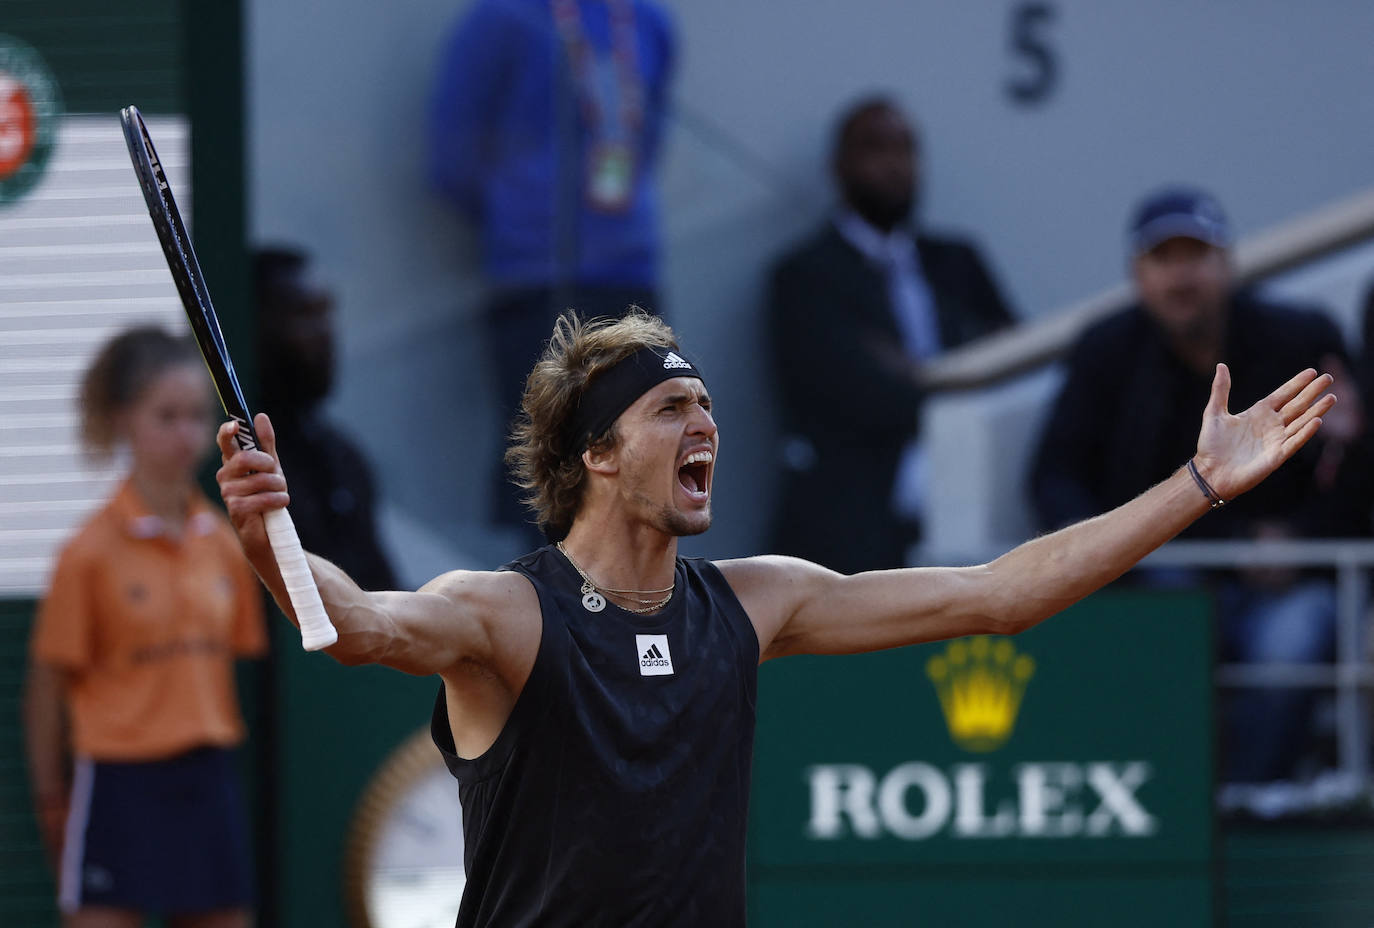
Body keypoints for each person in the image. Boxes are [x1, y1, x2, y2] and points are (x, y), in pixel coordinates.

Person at [217, 305, 1331, 925]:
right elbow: (351, 622)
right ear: (597, 455)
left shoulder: (760, 599)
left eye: (707, 404)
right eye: (671, 409)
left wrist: (1198, 486)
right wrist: (266, 525)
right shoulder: (503, 614)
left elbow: (1005, 593)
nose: (705, 423)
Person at [1029, 187, 1368, 784]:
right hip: (1155, 571)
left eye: (1196, 256)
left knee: (1292, 641)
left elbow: (1356, 466)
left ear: (1227, 263)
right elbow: (1054, 475)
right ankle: (1172, 803)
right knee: (1161, 635)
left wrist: (1300, 538)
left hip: (1286, 575)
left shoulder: (1299, 339)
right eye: (1165, 259)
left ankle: (1249, 803)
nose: (1182, 276)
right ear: (1138, 274)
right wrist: (1111, 549)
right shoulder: (1107, 350)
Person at [24, 326, 267, 928]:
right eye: (166, 416)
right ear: (124, 420)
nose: (185, 435)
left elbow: (230, 660)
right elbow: (46, 693)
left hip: (204, 778)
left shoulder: (226, 546)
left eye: (194, 416)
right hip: (117, 782)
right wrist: (52, 804)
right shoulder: (87, 553)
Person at [428, 0, 676, 546]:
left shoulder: (648, 17)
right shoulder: (504, 17)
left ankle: (637, 607)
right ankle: (528, 610)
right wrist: (517, 212)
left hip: (628, 266)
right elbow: (452, 154)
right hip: (535, 276)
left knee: (644, 445)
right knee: (543, 447)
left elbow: (648, 134)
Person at [767, 96, 1016, 574]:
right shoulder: (805, 275)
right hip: (856, 524)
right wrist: (956, 378)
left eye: (905, 149)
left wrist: (915, 372)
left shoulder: (956, 261)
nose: (894, 165)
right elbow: (856, 392)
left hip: (971, 503)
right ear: (839, 166)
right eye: (875, 148)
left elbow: (1013, 355)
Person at [255, 247, 398, 591]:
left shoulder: (342, 458)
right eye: (304, 315)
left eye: (326, 313)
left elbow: (383, 595)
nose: (325, 333)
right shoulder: (240, 465)